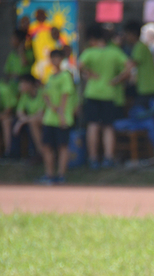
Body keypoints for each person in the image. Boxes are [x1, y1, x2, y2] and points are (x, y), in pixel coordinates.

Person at [78, 24, 129, 169]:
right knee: (108, 127)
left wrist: (89, 73)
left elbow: (79, 65)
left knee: (93, 126)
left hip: (92, 93)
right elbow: (129, 66)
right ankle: (108, 157)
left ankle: (93, 158)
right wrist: (117, 80)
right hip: (109, 93)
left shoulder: (90, 52)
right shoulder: (114, 52)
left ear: (93, 39)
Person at [38, 49, 75, 184]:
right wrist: (50, 106)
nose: (54, 61)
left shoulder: (65, 76)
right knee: (46, 146)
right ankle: (49, 174)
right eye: (52, 58)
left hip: (62, 117)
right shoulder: (49, 76)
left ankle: (61, 175)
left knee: (62, 146)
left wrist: (61, 114)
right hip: (49, 118)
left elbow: (65, 95)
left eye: (57, 58)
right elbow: (45, 94)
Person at [124, 21, 154, 107]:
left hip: (147, 87)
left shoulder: (139, 47)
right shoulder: (141, 46)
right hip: (147, 86)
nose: (125, 37)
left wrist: (116, 80)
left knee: (142, 114)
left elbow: (130, 66)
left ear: (132, 34)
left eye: (126, 34)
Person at [12, 74, 44, 160]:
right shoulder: (25, 95)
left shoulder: (42, 93)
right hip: (30, 120)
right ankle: (14, 153)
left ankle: (39, 153)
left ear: (29, 84)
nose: (19, 86)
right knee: (14, 122)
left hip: (42, 120)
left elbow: (41, 113)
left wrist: (23, 121)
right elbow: (19, 111)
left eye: (21, 84)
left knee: (31, 124)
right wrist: (23, 120)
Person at [0, 64, 18, 160]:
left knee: (7, 120)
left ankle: (8, 152)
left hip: (2, 116)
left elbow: (9, 110)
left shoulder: (3, 88)